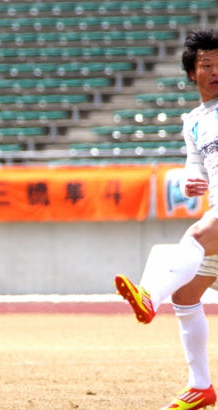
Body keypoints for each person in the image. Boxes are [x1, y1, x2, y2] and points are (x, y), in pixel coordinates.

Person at [115, 29, 218, 410]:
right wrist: (192, 182)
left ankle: (148, 297)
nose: (215, 71)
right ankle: (200, 387)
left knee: (193, 237)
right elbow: (196, 168)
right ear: (192, 73)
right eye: (207, 65)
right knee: (186, 295)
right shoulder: (193, 121)